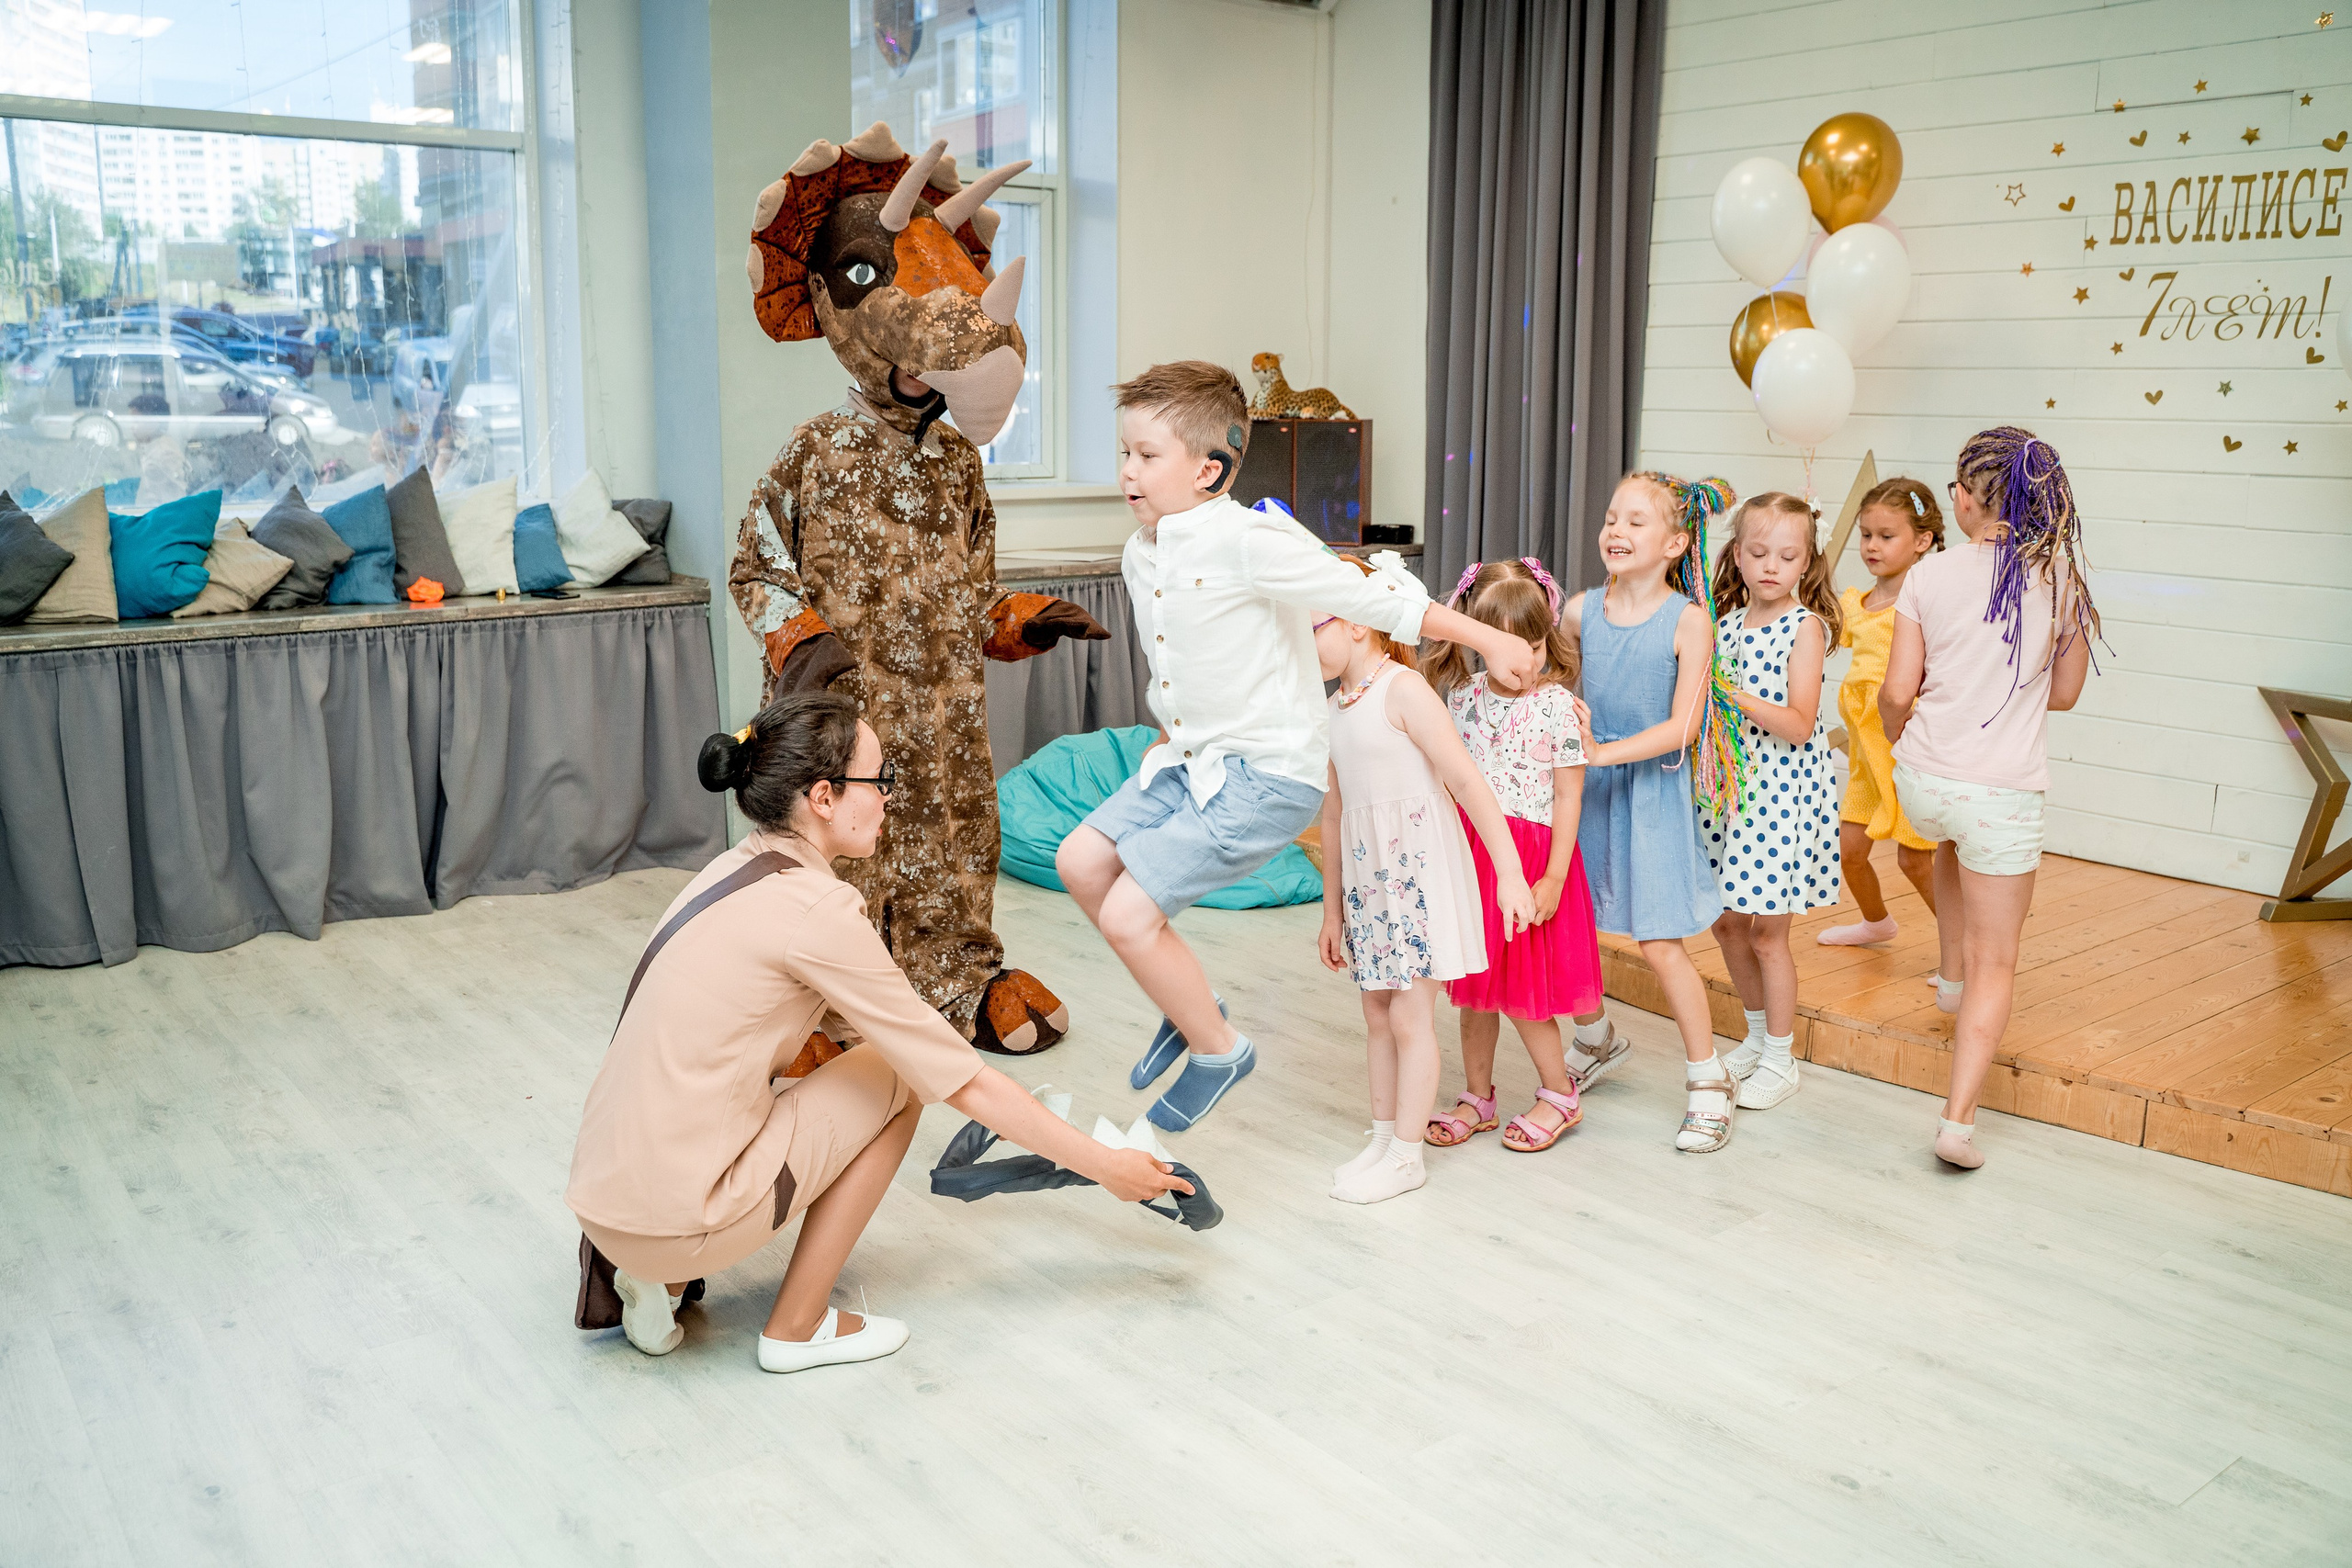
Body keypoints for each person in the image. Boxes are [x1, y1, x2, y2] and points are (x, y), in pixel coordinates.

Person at [566, 692, 1190, 1372]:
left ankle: (654, 1282)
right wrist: (1108, 1168)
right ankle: (796, 1327)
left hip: (604, 1202)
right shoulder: (818, 909)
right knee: (899, 1078)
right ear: (824, 797)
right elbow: (960, 1078)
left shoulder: (733, 868)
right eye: (879, 778)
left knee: (858, 1062)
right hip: (677, 1221)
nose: (890, 796)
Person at [1056, 360, 1542, 1133]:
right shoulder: (1140, 553)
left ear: (1208, 469)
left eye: (1147, 455)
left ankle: (1219, 1050)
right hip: (1193, 761)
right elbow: (1184, 667)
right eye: (1124, 453)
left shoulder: (1253, 540)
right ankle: (1190, 1007)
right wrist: (1172, 733)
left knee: (1126, 914)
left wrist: (1487, 638)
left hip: (1266, 775)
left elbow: (1372, 597)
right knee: (1078, 861)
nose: (1128, 472)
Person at [1880, 426, 2097, 1170]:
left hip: (1923, 782)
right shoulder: (2061, 580)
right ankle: (1957, 1125)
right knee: (1996, 961)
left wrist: (1898, 736)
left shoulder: (1928, 574)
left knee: (1950, 834)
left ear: (1966, 500)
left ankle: (1949, 980)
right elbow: (2063, 694)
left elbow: (1897, 691)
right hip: (2001, 794)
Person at [1313, 559, 1535, 1202]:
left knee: (1410, 1014)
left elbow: (1467, 781)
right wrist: (1332, 911)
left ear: (1358, 623)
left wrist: (1509, 873)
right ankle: (1385, 1137)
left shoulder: (1404, 690)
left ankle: (1407, 1156)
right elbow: (1334, 811)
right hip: (1370, 885)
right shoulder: (1333, 708)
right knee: (1377, 1013)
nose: (1300, 645)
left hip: (1417, 874)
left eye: (1310, 628)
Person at [1565, 470, 1744, 1154]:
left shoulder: (1689, 620)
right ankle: (1595, 1038)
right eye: (1612, 517)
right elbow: (1559, 684)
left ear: (1675, 543)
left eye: (1636, 521)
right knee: (1568, 923)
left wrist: (1601, 753)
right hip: (1585, 793)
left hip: (1650, 794)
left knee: (1660, 942)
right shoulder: (1580, 611)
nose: (1616, 530)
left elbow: (1682, 728)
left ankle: (1708, 1076)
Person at [1420, 558, 1604, 1155]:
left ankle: (1560, 1094)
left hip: (1530, 862)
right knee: (1475, 989)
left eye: (1533, 644)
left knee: (1524, 995)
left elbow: (1569, 794)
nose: (1524, 660)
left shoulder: (1558, 706)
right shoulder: (1460, 698)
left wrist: (1553, 876)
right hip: (1474, 859)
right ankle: (1478, 1097)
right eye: (1507, 646)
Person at [1700, 492, 1844, 1111]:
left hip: (1781, 795)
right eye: (1758, 552)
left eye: (1787, 556)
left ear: (1806, 561)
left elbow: (1800, 723)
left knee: (1767, 936)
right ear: (1737, 554)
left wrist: (1728, 694)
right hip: (1732, 793)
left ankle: (1782, 1059)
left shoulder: (1804, 627)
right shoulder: (1727, 624)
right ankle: (1757, 1036)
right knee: (1727, 923)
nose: (1771, 566)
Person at [1820, 479, 1945, 949]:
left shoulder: (1925, 603)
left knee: (1914, 861)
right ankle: (1876, 923)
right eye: (1866, 534)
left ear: (1922, 541)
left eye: (1886, 536)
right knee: (1849, 852)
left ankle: (1964, 949)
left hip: (1907, 751)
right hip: (1867, 757)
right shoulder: (1857, 603)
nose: (1872, 546)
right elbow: (1823, 634)